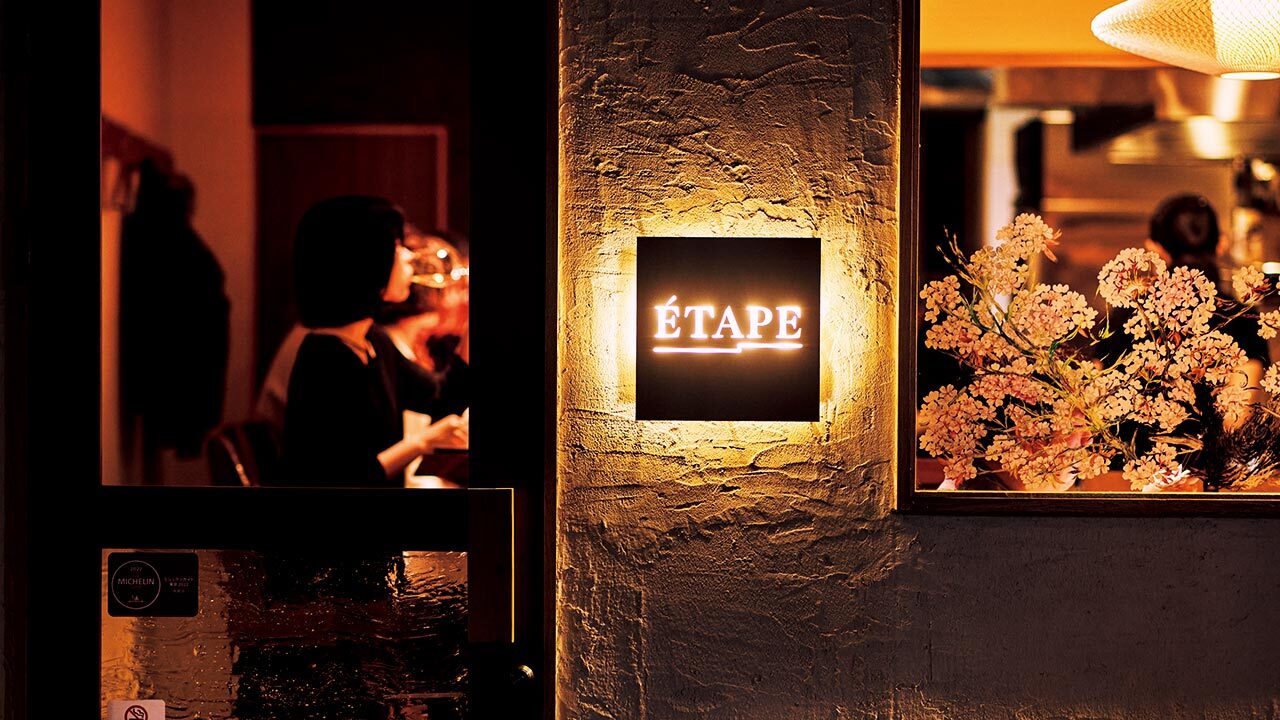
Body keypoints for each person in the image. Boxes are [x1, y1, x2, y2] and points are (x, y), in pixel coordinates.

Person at [278, 196, 466, 487]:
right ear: (365, 262)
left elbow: (437, 399)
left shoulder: (372, 340)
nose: (409, 257)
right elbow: (344, 478)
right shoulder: (325, 358)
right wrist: (421, 443)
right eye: (397, 247)